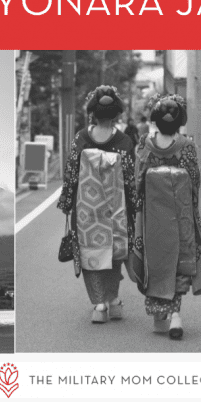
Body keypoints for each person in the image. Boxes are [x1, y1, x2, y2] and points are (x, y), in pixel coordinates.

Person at [130, 94, 201, 340]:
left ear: (156, 120)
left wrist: (136, 210)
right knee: (179, 259)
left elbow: (137, 181)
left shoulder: (145, 144)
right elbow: (194, 182)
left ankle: (161, 316)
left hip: (152, 218)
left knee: (155, 262)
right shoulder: (186, 147)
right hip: (180, 215)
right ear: (181, 121)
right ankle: (175, 314)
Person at [57, 85, 137, 324]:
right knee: (114, 253)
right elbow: (131, 180)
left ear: (92, 113)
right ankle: (114, 301)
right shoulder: (124, 142)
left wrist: (66, 201)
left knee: (90, 253)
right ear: (116, 115)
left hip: (86, 210)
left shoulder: (81, 138)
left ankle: (99, 304)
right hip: (117, 210)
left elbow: (71, 174)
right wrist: (135, 207)